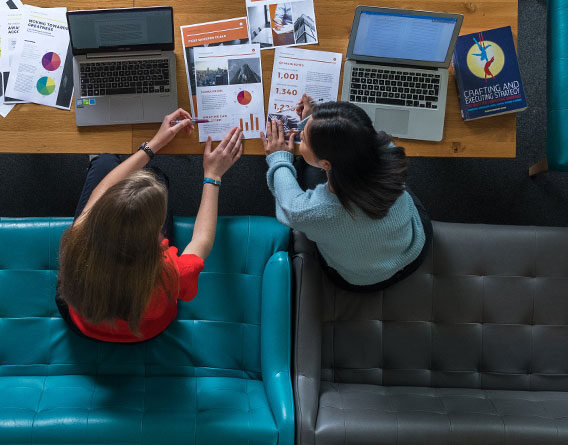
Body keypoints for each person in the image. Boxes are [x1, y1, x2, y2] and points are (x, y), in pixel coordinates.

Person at [56, 109, 243, 342]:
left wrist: (151, 146)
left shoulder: (77, 241)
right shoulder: (171, 272)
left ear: (100, 217)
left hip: (82, 322)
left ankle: (107, 163)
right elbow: (201, 240)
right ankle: (147, 175)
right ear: (154, 234)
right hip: (144, 332)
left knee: (106, 163)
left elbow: (101, 191)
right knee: (155, 178)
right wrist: (213, 174)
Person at [261, 94, 432, 292]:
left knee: (305, 174)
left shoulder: (313, 211)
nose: (300, 136)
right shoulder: (389, 152)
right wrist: (316, 124)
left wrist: (278, 158)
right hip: (413, 252)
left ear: (326, 164)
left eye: (304, 138)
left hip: (360, 279)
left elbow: (289, 206)